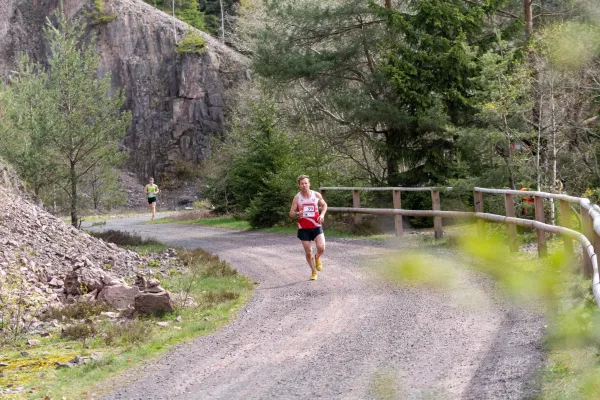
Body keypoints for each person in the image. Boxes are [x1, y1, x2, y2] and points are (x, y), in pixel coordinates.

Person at [289, 175, 328, 281]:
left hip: (316, 225)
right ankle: (313, 271)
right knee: (308, 252)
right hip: (303, 228)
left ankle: (318, 257)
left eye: (306, 183)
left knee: (321, 247)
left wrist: (322, 215)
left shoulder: (316, 195)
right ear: (299, 185)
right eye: (302, 184)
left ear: (309, 184)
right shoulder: (297, 197)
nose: (304, 185)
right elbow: (291, 213)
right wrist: (298, 213)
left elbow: (324, 205)